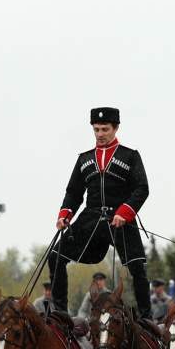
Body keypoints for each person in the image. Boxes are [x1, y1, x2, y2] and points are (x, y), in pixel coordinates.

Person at [47, 107, 153, 320]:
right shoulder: (84, 159)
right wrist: (64, 215)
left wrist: (125, 212)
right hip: (90, 218)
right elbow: (74, 192)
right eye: (96, 129)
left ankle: (147, 318)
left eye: (105, 129)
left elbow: (142, 188)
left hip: (120, 220)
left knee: (137, 267)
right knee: (55, 255)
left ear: (115, 128)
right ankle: (60, 313)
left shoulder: (130, 156)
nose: (100, 134)